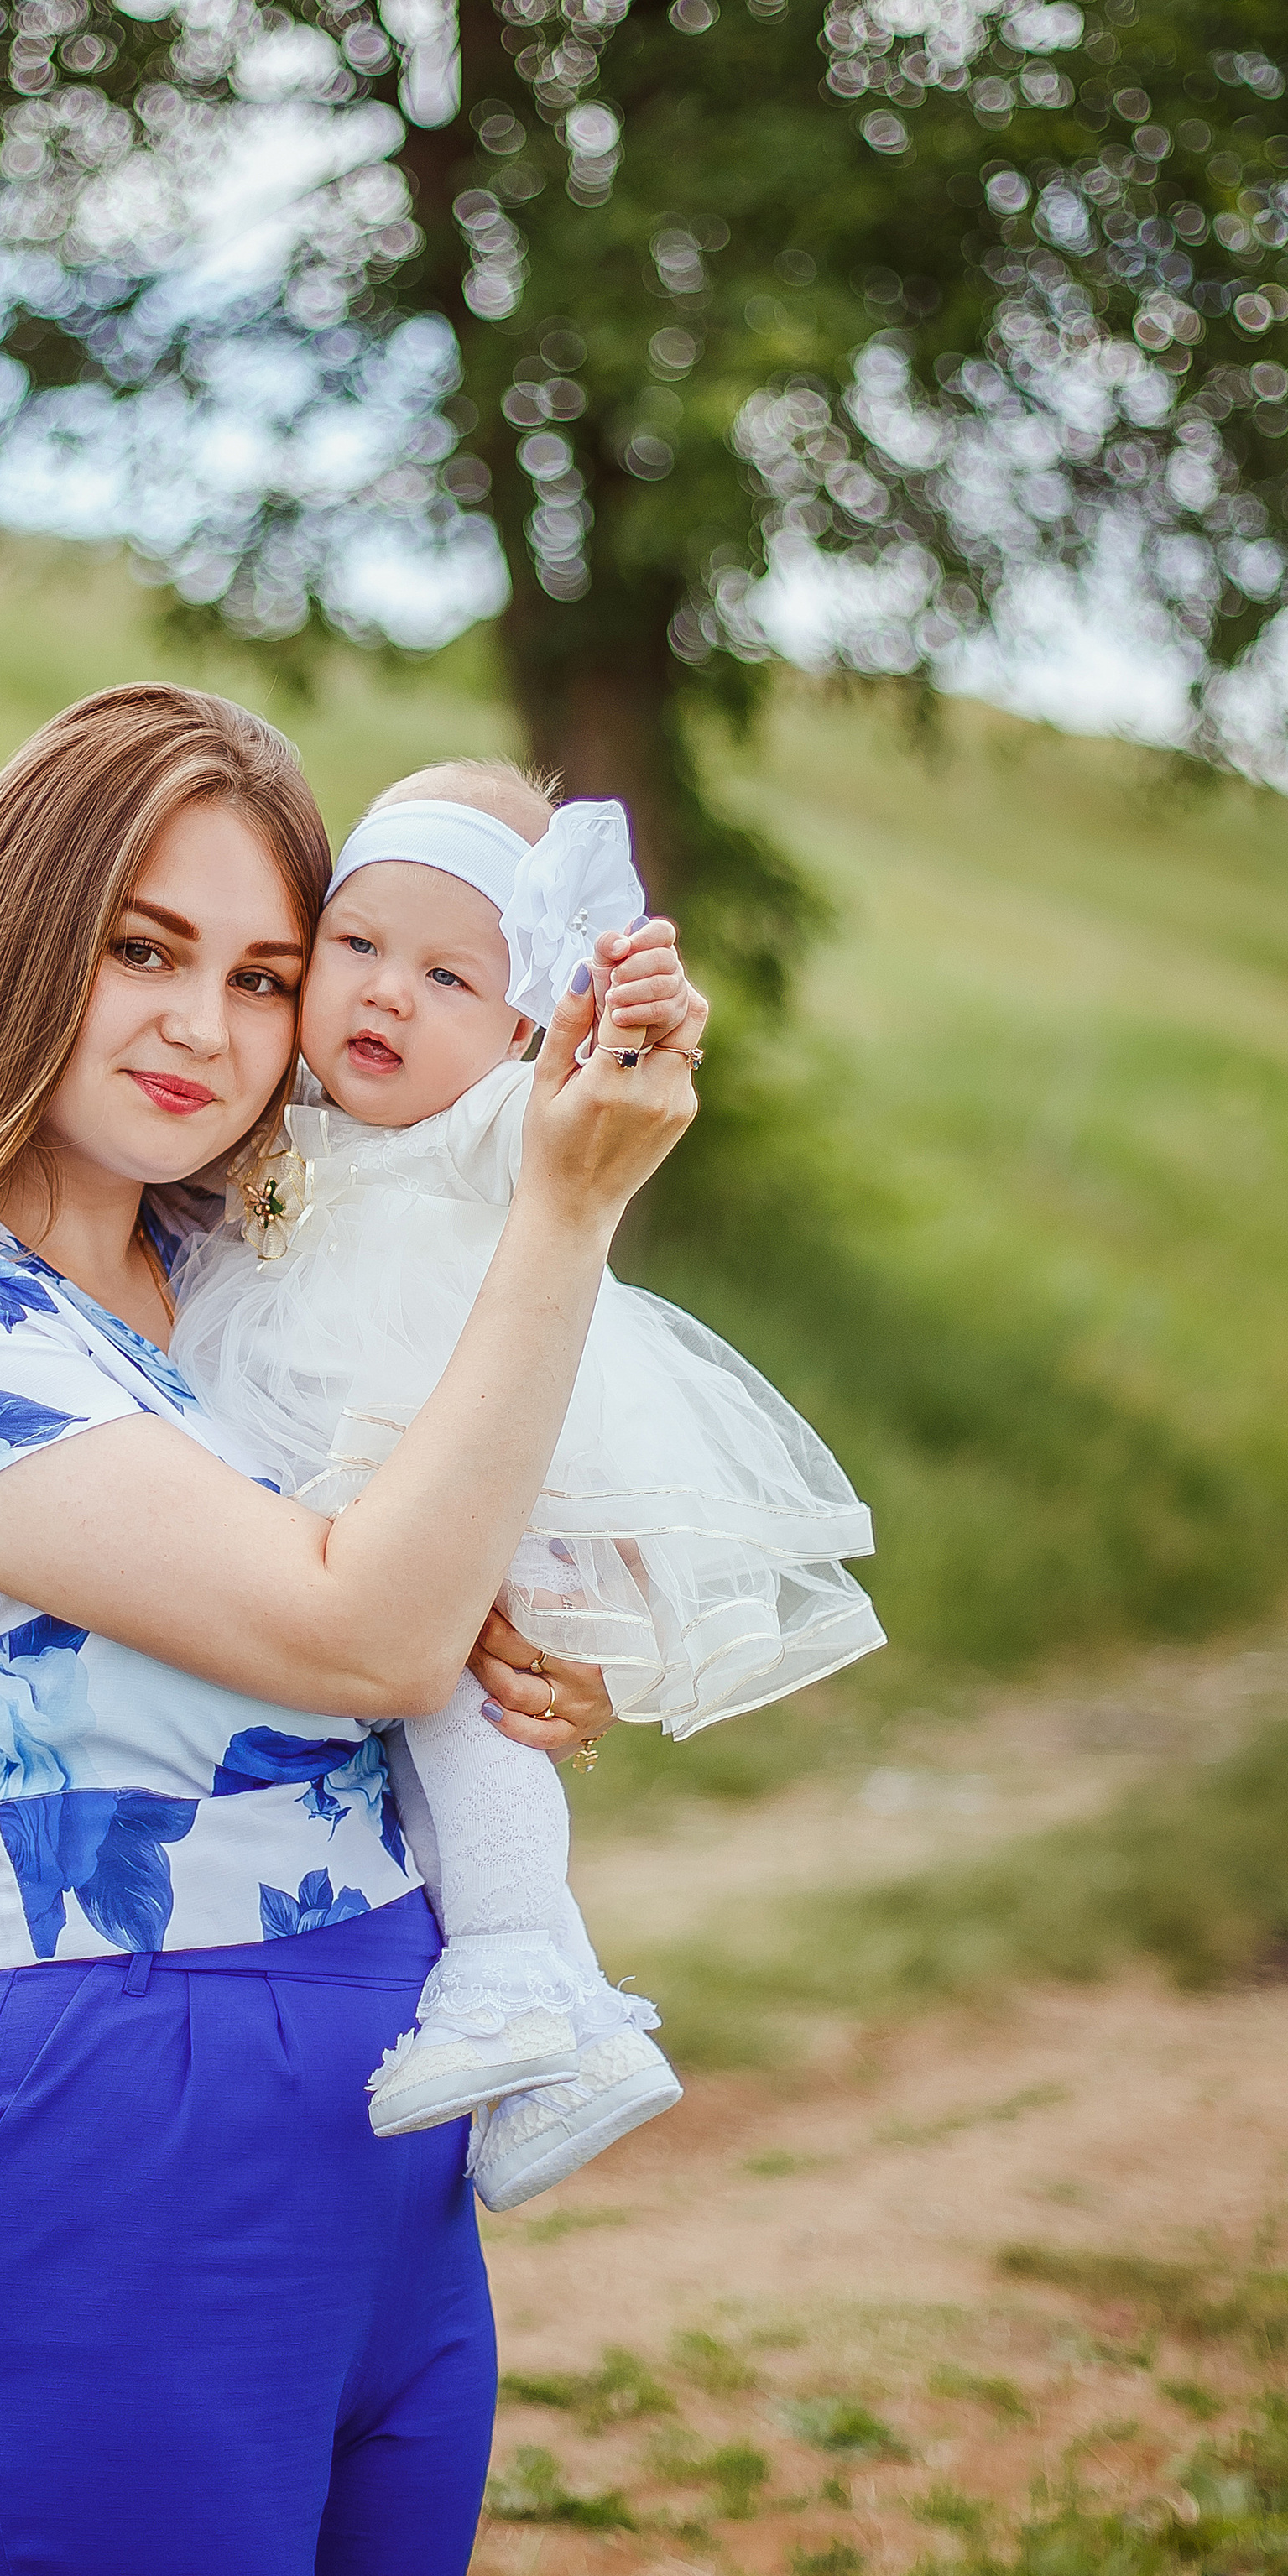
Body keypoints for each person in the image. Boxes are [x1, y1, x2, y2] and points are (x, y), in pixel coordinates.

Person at [0, 686, 701, 2576]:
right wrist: (561, 1215)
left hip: (388, 2181)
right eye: (141, 948)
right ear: (12, 940)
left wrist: (539, 1635)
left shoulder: (243, 1278)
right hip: (123, 2177)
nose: (207, 1026)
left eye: (263, 973)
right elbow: (356, 1628)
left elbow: (438, 1591)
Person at [169, 757, 886, 2212]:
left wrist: (628, 1024)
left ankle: (506, 1963)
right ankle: (571, 2023)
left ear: (513, 1022)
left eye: (448, 976)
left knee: (468, 1696)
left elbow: (592, 1104)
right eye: (358, 947)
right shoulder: (281, 1114)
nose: (384, 996)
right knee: (423, 1723)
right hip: (332, 1465)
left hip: (443, 1433)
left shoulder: (494, 1121)